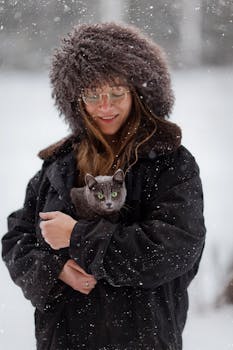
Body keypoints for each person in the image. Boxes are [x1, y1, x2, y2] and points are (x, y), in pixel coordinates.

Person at [1, 22, 206, 350]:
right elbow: (17, 238)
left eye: (116, 93)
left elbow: (174, 248)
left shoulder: (170, 162)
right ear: (76, 100)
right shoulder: (59, 164)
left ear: (138, 93)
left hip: (143, 339)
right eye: (93, 95)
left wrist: (77, 237)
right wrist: (55, 270)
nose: (105, 107)